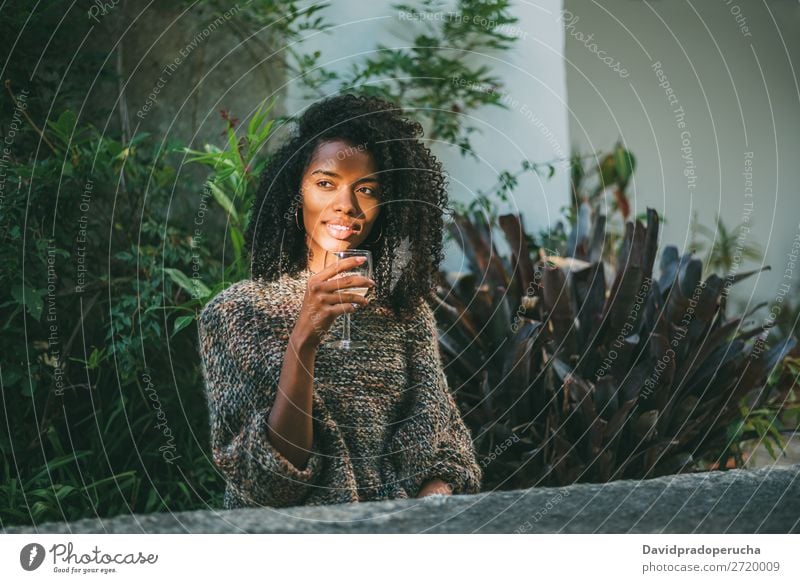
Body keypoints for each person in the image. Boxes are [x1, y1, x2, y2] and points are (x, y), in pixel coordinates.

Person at [197, 93, 482, 509]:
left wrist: (426, 510)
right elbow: (270, 482)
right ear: (295, 191)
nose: (345, 206)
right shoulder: (237, 314)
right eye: (325, 183)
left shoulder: (404, 312)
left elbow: (443, 450)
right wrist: (303, 339)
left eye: (366, 189)